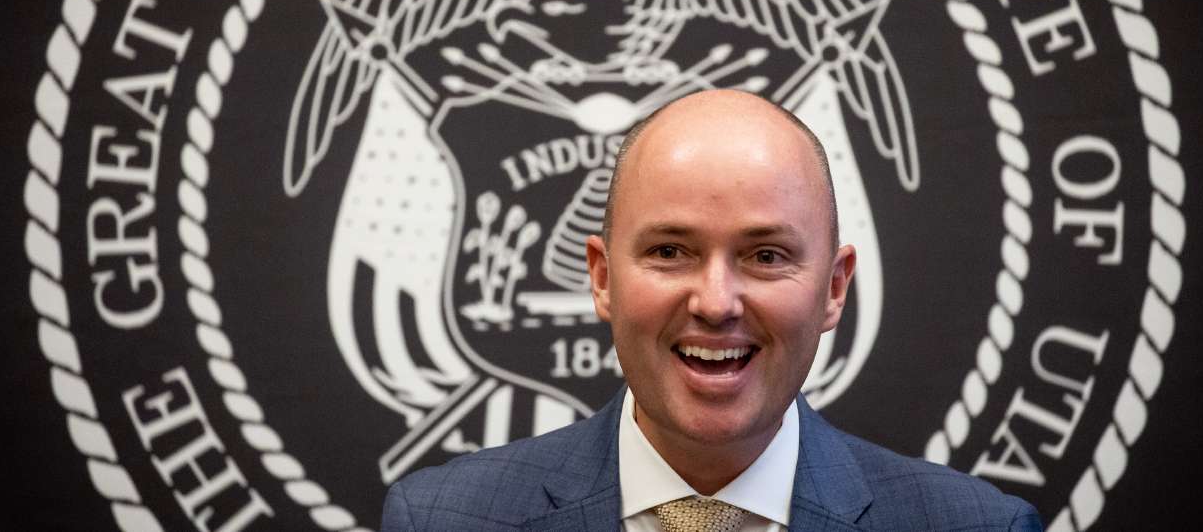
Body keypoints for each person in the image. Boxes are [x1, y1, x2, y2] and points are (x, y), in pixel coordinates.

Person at [381, 90, 1042, 531]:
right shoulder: (442, 519)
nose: (716, 303)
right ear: (602, 277)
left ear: (835, 288)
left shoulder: (980, 526)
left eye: (765, 256)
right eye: (670, 251)